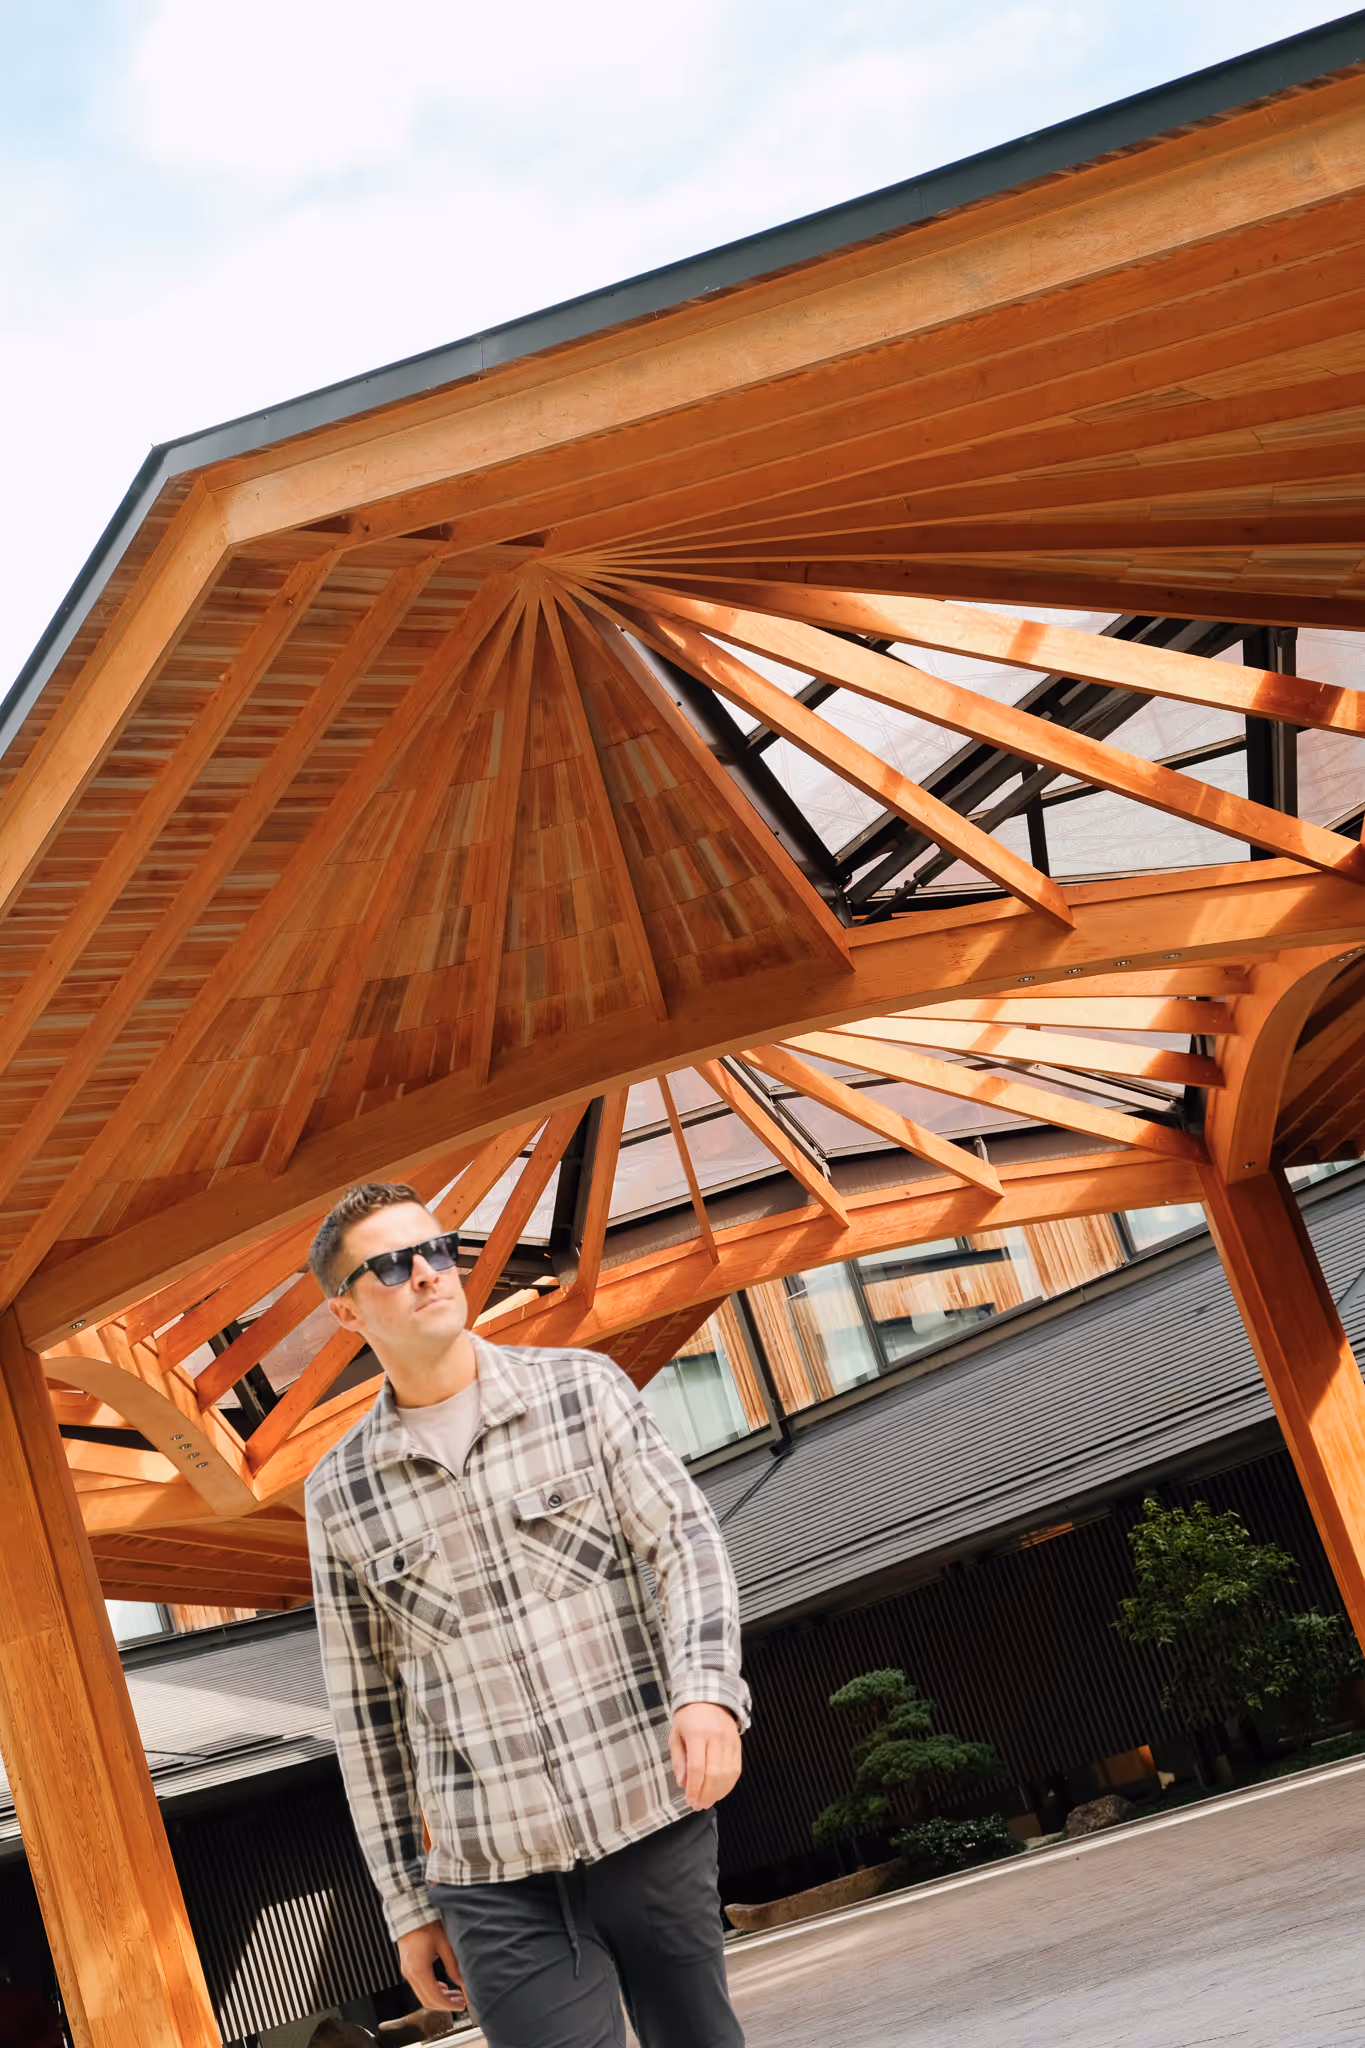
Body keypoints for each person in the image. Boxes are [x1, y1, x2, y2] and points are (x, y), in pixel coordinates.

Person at [305, 1182, 749, 2048]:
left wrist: (705, 1691)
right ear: (346, 1312)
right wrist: (406, 1902)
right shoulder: (337, 1494)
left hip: (647, 1815)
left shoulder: (582, 1392)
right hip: (491, 1874)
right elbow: (366, 1718)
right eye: (391, 1266)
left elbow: (686, 1546)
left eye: (437, 1250)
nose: (427, 1274)